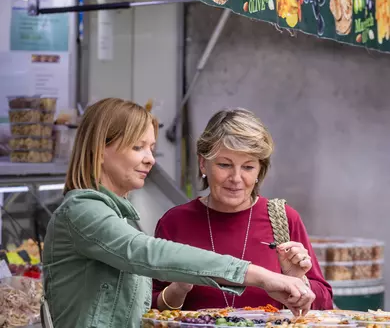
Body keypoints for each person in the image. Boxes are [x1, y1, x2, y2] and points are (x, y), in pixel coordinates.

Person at [42, 99, 315, 328]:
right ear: (99, 151)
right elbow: (144, 252)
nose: (150, 158)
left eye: (151, 147)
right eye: (138, 147)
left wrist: (293, 279)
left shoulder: (116, 215)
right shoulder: (82, 211)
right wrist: (264, 276)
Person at [152, 108, 333, 311]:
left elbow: (325, 304)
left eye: (248, 167)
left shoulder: (283, 218)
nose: (236, 178)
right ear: (203, 164)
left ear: (259, 169)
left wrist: (298, 280)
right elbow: (145, 307)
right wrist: (178, 289)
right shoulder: (174, 222)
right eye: (224, 165)